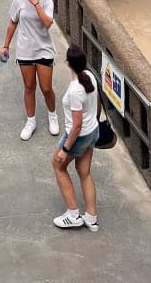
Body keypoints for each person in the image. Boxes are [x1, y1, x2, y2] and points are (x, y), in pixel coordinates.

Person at [1, 0, 59, 139]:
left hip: (44, 49)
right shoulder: (18, 1)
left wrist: (36, 4)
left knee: (46, 88)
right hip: (25, 50)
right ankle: (31, 121)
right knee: (29, 87)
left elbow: (47, 23)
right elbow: (13, 23)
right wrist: (6, 46)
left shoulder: (47, 2)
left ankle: (52, 115)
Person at [52, 47, 101, 231]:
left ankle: (73, 215)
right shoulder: (90, 76)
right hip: (93, 131)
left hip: (79, 136)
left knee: (58, 165)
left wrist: (65, 150)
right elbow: (97, 105)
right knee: (84, 171)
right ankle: (91, 217)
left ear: (68, 64)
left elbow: (76, 125)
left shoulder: (74, 90)